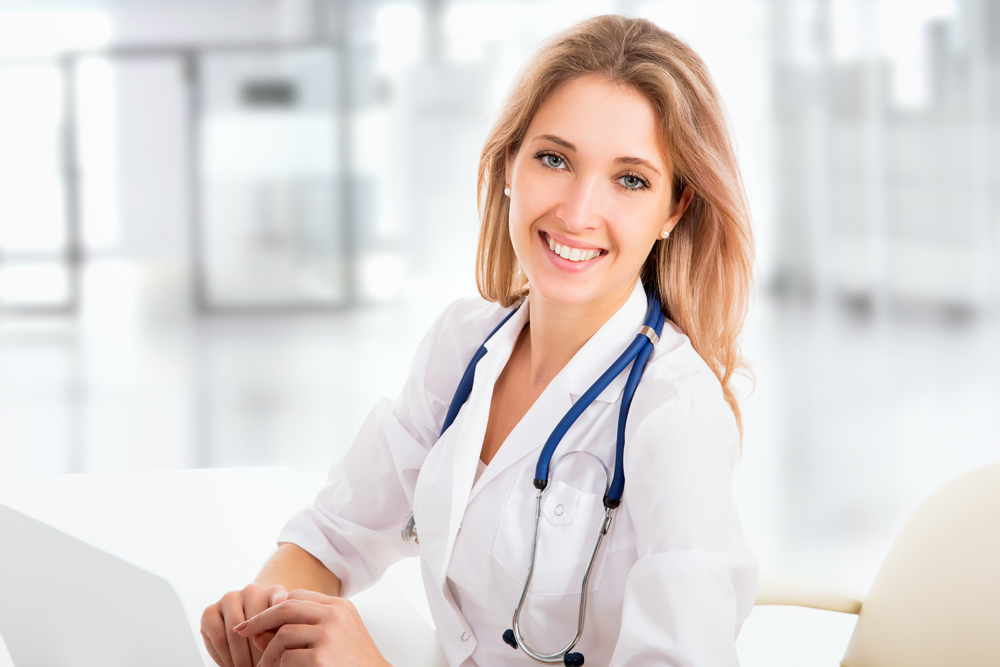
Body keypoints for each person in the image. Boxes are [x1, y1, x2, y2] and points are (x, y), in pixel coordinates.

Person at [202, 13, 757, 667]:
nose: (578, 212)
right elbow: (334, 535)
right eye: (554, 158)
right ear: (508, 167)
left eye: (630, 179)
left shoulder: (675, 412)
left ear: (674, 210)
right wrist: (264, 617)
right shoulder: (462, 345)